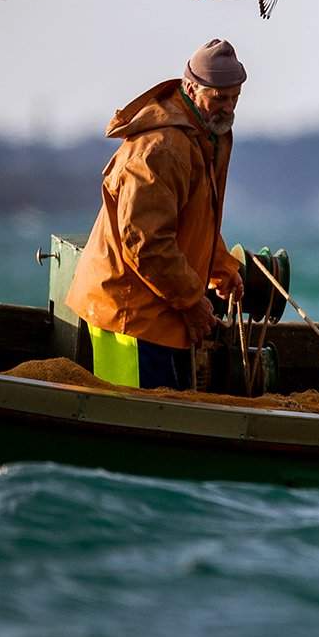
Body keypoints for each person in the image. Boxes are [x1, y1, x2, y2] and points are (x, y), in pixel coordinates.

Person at [68, 40, 247, 390]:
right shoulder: (162, 149)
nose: (227, 108)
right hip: (129, 315)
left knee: (168, 417)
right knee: (134, 423)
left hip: (162, 310)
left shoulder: (206, 135)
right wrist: (194, 300)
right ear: (191, 89)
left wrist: (222, 267)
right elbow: (145, 242)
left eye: (234, 98)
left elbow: (192, 219)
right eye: (219, 98)